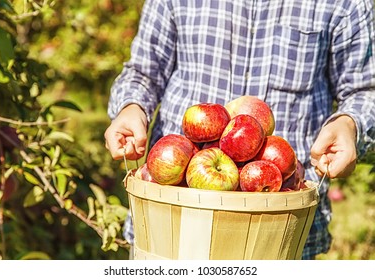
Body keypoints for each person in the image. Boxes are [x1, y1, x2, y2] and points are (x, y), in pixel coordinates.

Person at [104, 0, 375, 259]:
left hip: (282, 227)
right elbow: (143, 71)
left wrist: (349, 124)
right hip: (171, 222)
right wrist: (131, 108)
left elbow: (365, 89)